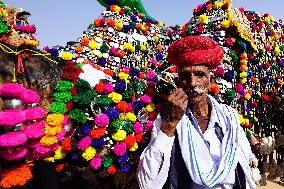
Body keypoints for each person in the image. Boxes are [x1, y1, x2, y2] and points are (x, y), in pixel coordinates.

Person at [137, 36, 256, 189]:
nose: (192, 83)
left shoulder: (228, 119)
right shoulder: (167, 121)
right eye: (185, 76)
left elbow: (245, 166)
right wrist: (170, 124)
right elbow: (147, 183)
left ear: (210, 80)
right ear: (178, 81)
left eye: (200, 74)